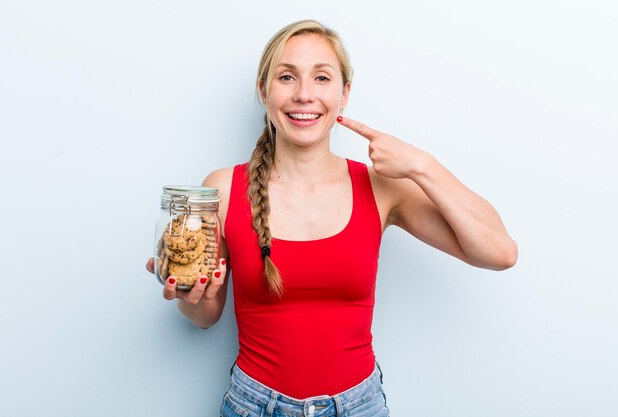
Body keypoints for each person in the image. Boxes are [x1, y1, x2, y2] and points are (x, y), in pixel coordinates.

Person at [146, 19, 517, 417]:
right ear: (263, 91)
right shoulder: (221, 189)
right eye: (287, 77)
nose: (304, 95)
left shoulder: (380, 186)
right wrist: (189, 298)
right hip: (253, 405)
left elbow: (499, 252)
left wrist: (423, 166)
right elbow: (206, 316)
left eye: (322, 78)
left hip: (359, 406)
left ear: (344, 94)